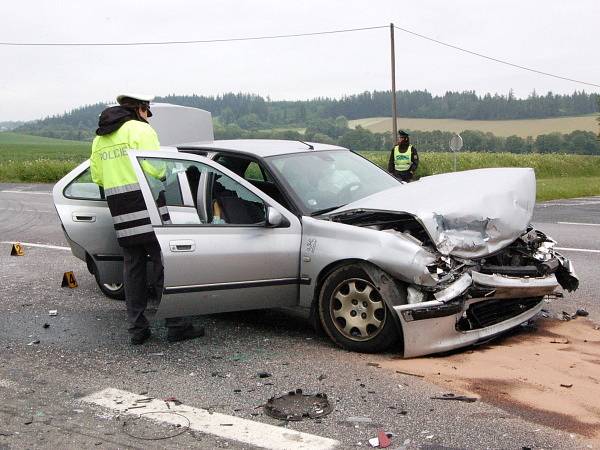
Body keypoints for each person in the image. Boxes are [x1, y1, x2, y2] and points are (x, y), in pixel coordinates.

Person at [90, 94, 205, 345]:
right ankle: (177, 325)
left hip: (120, 208)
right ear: (141, 109)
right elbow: (157, 168)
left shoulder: (100, 138)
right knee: (167, 263)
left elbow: (97, 177)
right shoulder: (140, 130)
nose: (147, 116)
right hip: (147, 206)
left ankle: (137, 329)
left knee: (133, 268)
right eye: (147, 111)